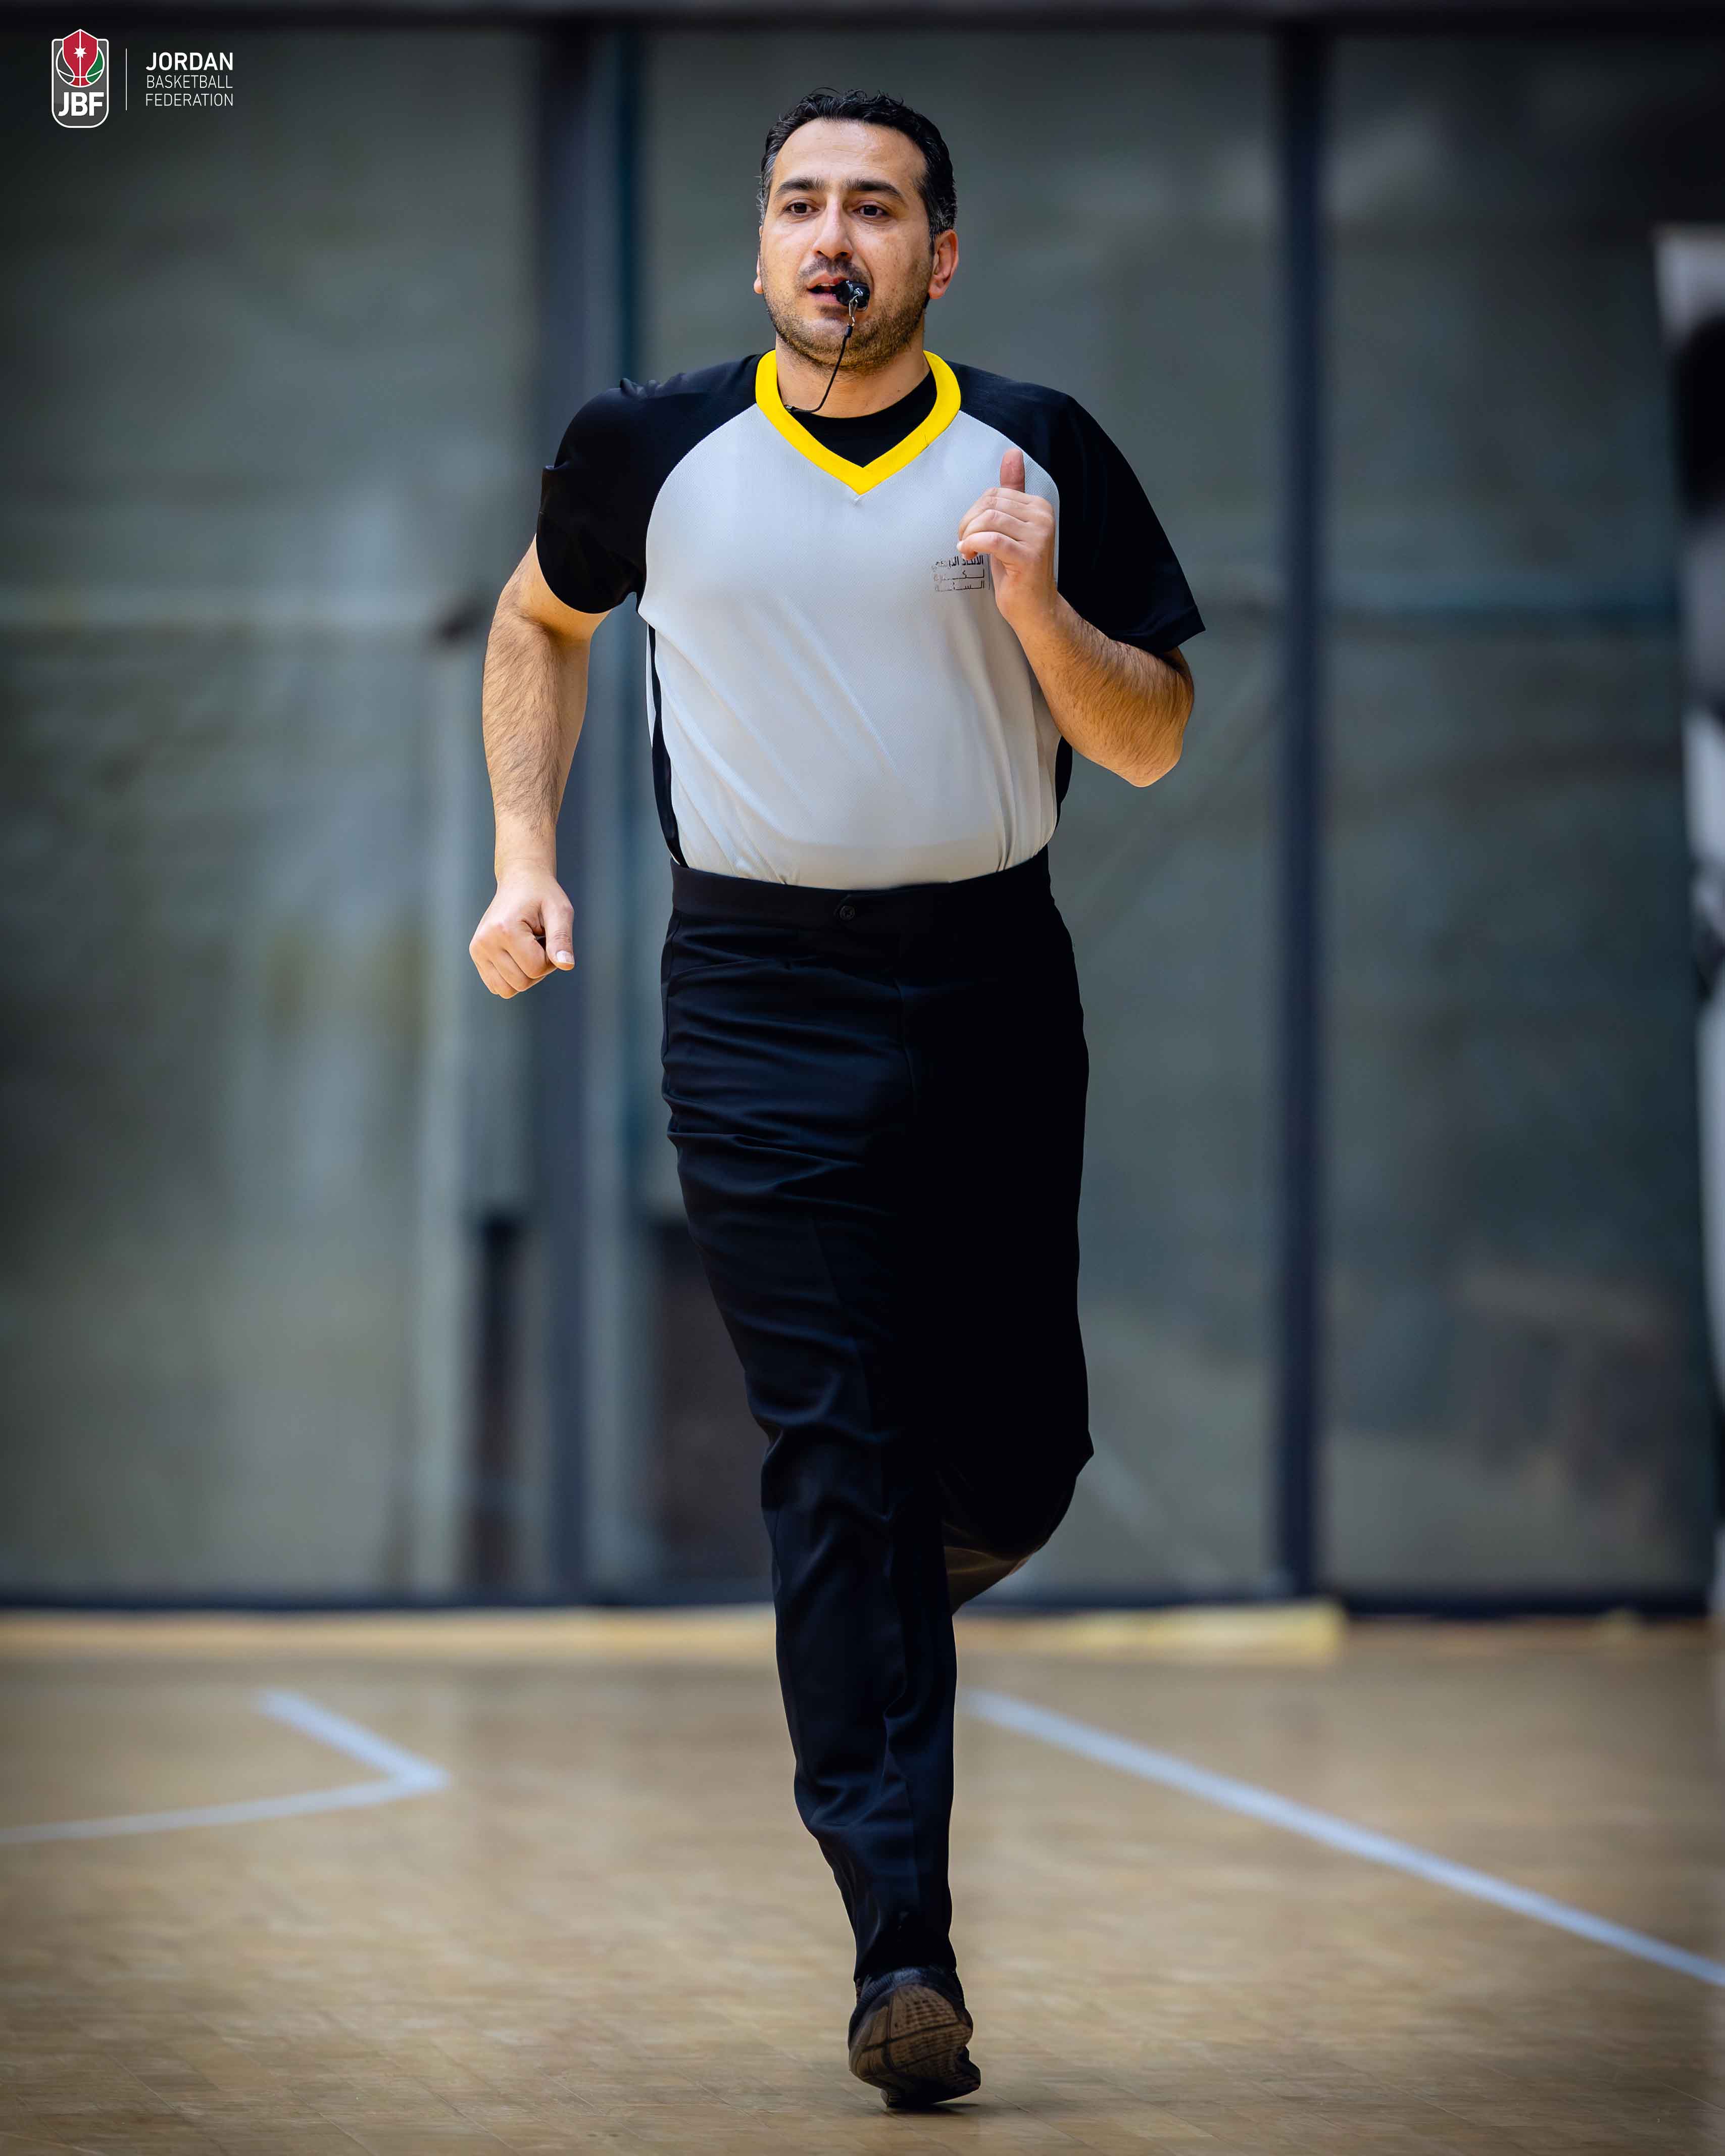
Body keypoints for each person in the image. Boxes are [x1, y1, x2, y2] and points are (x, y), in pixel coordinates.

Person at [469, 87, 1202, 2110]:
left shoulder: (1037, 451)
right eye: (799, 203)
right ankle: (901, 1955)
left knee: (1017, 1457)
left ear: (938, 254)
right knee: (836, 1448)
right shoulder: (650, 448)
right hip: (754, 994)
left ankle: (861, 1595)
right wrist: (523, 858)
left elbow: (1151, 736)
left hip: (990, 983)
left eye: (874, 207)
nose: (832, 238)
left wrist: (1037, 604)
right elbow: (535, 624)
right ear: (762, 244)